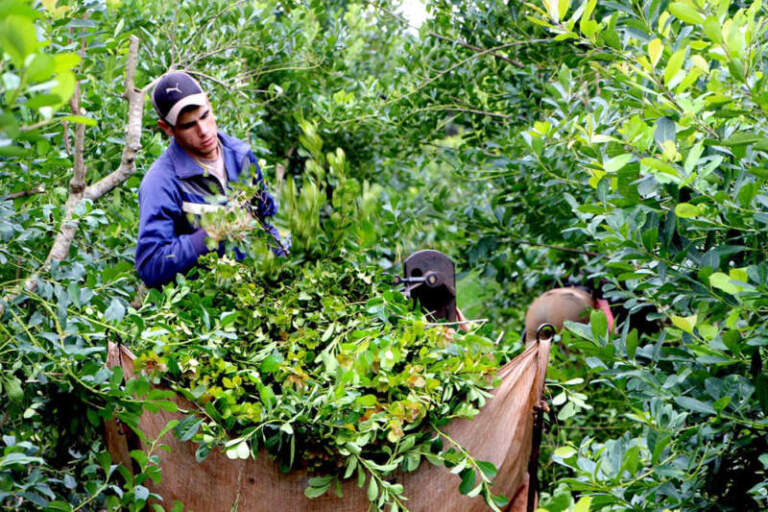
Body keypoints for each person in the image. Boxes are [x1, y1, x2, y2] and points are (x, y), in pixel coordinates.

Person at [135, 71, 283, 288]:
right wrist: (209, 235)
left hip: (251, 295)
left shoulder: (240, 156)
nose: (203, 131)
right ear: (167, 128)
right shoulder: (161, 182)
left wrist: (282, 260)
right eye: (188, 125)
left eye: (204, 116)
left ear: (208, 102)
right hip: (200, 307)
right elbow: (151, 265)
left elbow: (268, 218)